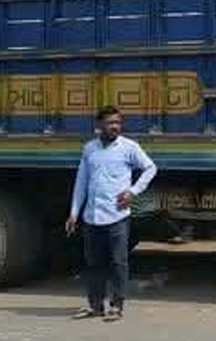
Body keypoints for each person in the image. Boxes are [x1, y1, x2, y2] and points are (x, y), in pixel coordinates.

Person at [65, 105, 156, 322]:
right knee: (94, 263)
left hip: (117, 216)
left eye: (117, 123)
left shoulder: (129, 147)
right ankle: (95, 306)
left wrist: (132, 191)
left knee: (118, 262)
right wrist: (74, 213)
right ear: (99, 126)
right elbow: (82, 182)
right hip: (92, 217)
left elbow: (150, 168)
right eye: (110, 123)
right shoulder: (90, 149)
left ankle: (116, 306)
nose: (115, 126)